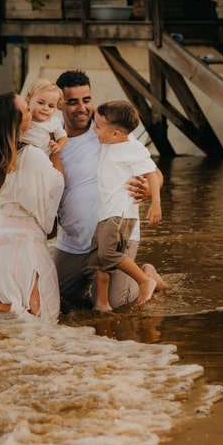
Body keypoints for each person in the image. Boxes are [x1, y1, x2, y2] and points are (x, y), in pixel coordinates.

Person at [54, 70, 167, 310]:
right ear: (59, 104)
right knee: (55, 300)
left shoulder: (109, 129)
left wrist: (148, 190)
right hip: (73, 241)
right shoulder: (52, 136)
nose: (82, 108)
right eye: (73, 102)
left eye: (86, 100)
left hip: (116, 235)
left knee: (118, 305)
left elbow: (154, 172)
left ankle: (148, 275)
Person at [0, 91, 65, 322]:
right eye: (26, 109)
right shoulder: (32, 155)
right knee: (42, 315)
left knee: (22, 308)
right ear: (16, 122)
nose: (32, 111)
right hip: (24, 243)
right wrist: (55, 154)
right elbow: (57, 185)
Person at [89, 100, 162, 312]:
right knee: (96, 257)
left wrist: (155, 202)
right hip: (105, 212)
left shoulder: (133, 149)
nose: (95, 129)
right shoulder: (108, 141)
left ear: (116, 134)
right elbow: (102, 115)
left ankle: (144, 279)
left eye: (98, 127)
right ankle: (102, 303)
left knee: (107, 254)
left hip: (121, 213)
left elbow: (152, 174)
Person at [22, 78, 68, 155]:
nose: (46, 108)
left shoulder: (52, 122)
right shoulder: (22, 117)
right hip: (22, 153)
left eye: (51, 106)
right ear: (28, 100)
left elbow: (62, 136)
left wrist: (59, 145)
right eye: (41, 103)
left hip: (43, 156)